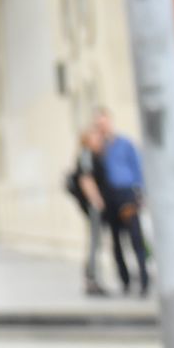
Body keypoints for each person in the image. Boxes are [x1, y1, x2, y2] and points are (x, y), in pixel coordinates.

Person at [95, 107, 151, 295]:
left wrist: (139, 193)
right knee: (116, 242)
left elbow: (137, 168)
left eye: (104, 122)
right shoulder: (98, 148)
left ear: (110, 122)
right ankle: (125, 280)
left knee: (135, 237)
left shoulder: (125, 143)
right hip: (108, 198)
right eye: (98, 124)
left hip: (126, 194)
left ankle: (144, 279)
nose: (102, 127)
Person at [66, 125, 111, 296]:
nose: (99, 140)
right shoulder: (86, 155)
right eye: (95, 137)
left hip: (95, 206)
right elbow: (86, 179)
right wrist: (97, 201)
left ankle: (94, 279)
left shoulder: (94, 155)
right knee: (94, 243)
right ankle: (92, 280)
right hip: (94, 207)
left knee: (97, 243)